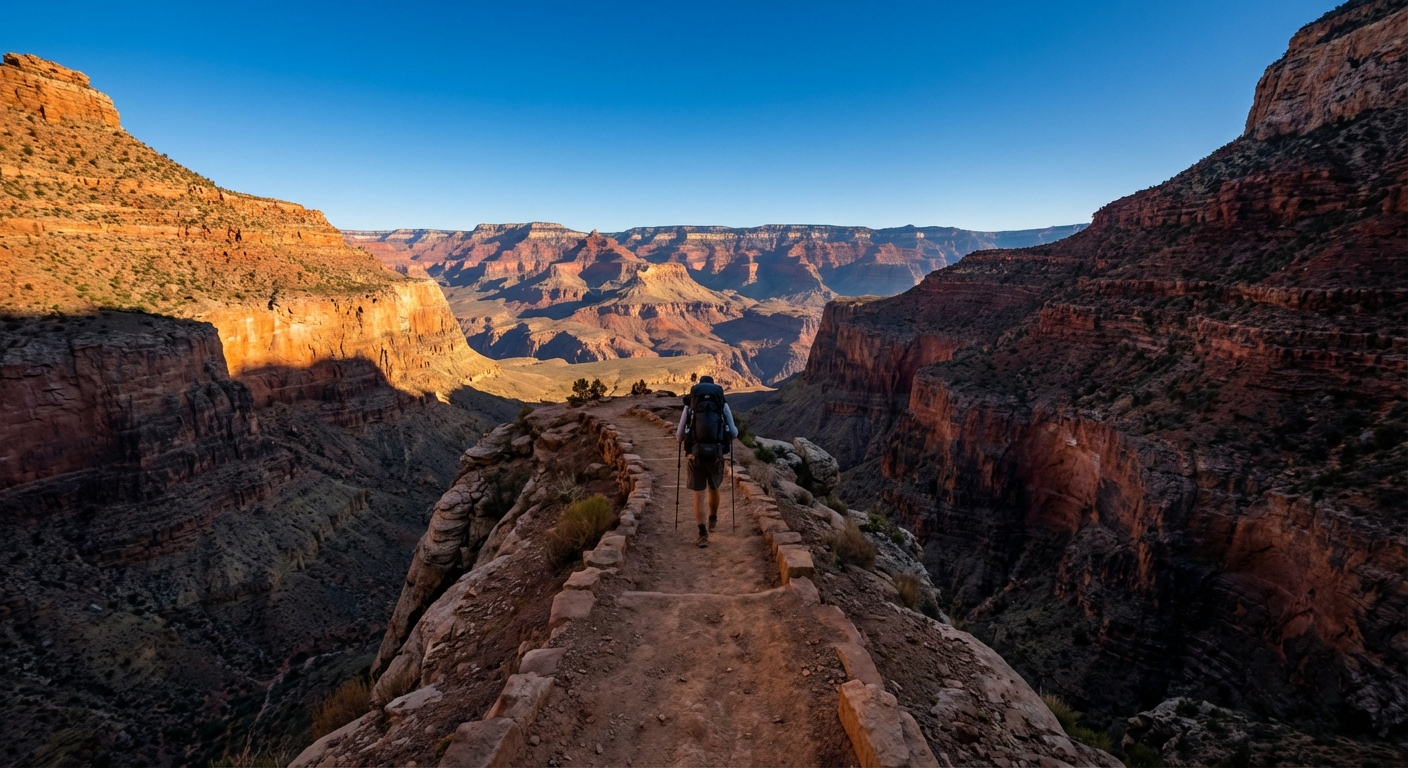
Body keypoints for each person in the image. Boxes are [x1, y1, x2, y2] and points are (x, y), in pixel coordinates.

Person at [675, 375, 738, 548]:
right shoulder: (722, 405)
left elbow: (679, 435)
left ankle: (702, 533)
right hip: (716, 455)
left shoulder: (690, 407)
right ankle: (713, 518)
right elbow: (734, 432)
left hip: (696, 455)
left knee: (698, 493)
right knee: (714, 487)